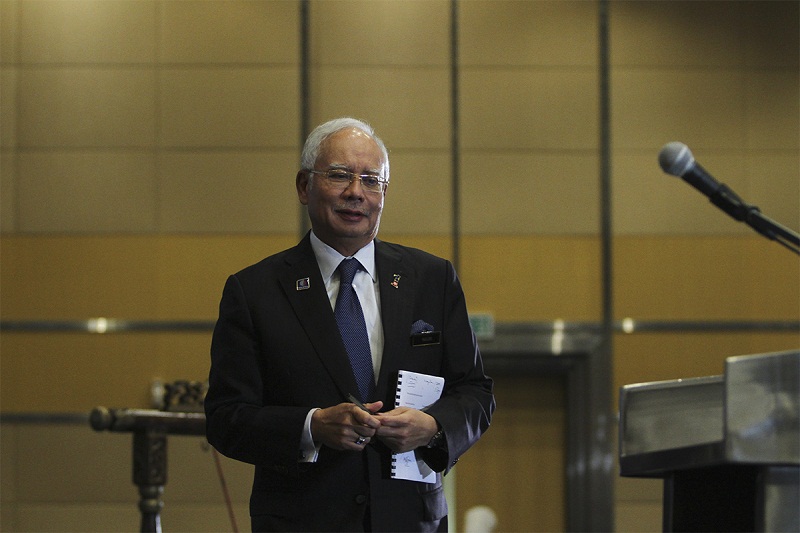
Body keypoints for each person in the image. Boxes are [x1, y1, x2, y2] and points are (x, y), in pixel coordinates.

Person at [205, 117, 495, 532]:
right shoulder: (254, 291)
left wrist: (433, 427)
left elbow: (476, 392)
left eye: (371, 180)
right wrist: (312, 426)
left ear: (384, 194)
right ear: (304, 186)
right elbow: (225, 417)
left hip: (410, 521)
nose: (356, 192)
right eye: (339, 175)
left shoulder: (432, 280)